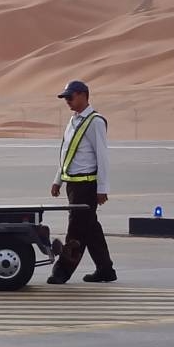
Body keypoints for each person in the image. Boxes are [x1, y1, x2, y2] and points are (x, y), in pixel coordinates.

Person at [48, 80, 117, 284]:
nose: (67, 101)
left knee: (76, 229)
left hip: (87, 185)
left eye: (70, 97)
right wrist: (58, 180)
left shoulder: (95, 121)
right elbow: (67, 153)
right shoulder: (73, 121)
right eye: (65, 98)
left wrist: (102, 188)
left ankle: (62, 270)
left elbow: (102, 157)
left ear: (83, 95)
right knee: (91, 229)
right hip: (73, 185)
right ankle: (106, 270)